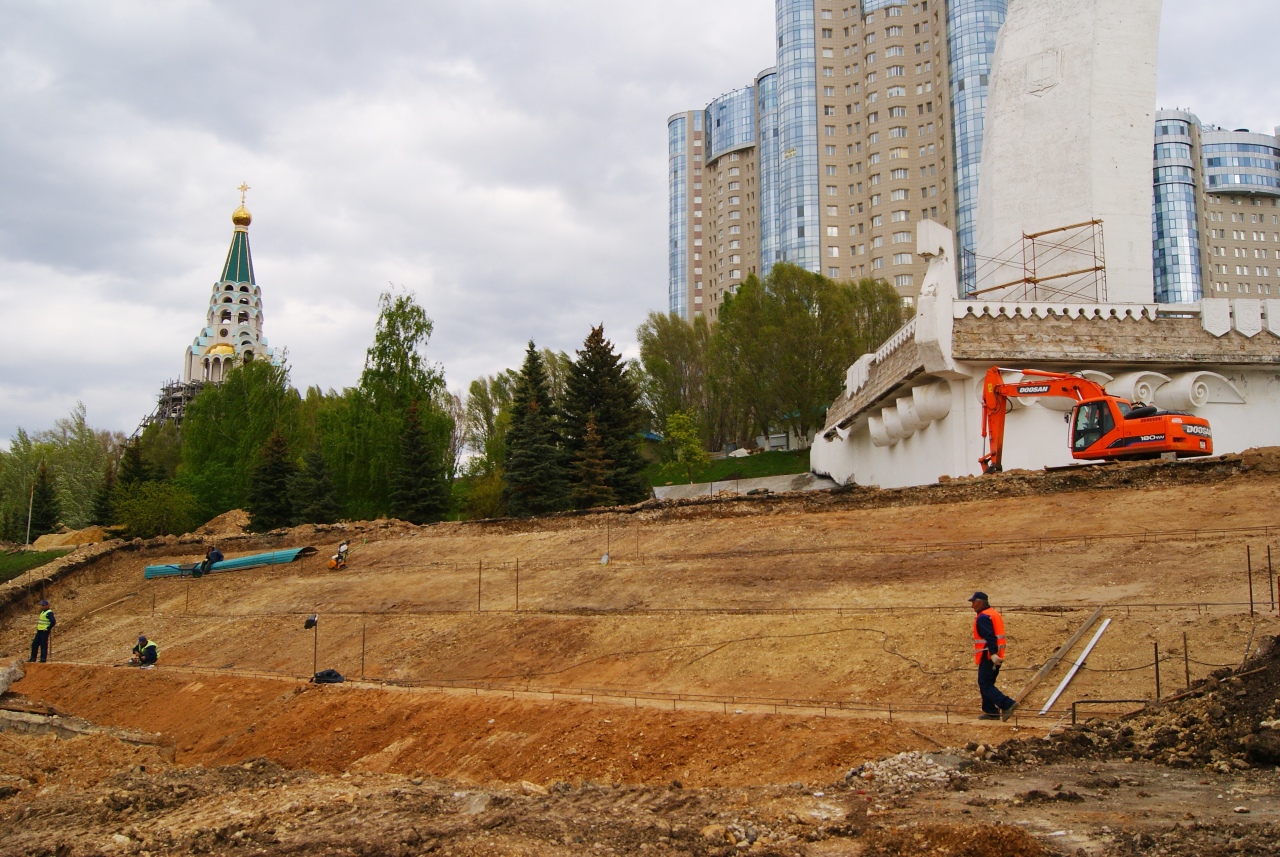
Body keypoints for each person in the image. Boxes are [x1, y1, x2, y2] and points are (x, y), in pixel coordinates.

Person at [969, 591, 1017, 721]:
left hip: (988, 655)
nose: (972, 606)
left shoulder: (983, 617)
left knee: (984, 683)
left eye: (973, 602)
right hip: (996, 655)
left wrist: (993, 654)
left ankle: (1007, 704)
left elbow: (990, 637)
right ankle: (991, 711)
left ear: (980, 602)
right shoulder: (994, 614)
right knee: (987, 683)